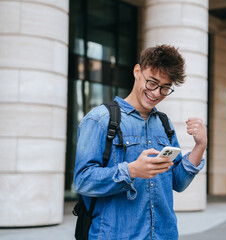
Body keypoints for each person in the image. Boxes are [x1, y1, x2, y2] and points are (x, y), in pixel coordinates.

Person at [74, 44, 207, 239]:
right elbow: (83, 181)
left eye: (164, 88)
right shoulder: (100, 119)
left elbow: (178, 182)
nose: (156, 93)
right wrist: (132, 170)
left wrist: (200, 146)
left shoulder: (164, 123)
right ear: (137, 71)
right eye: (152, 83)